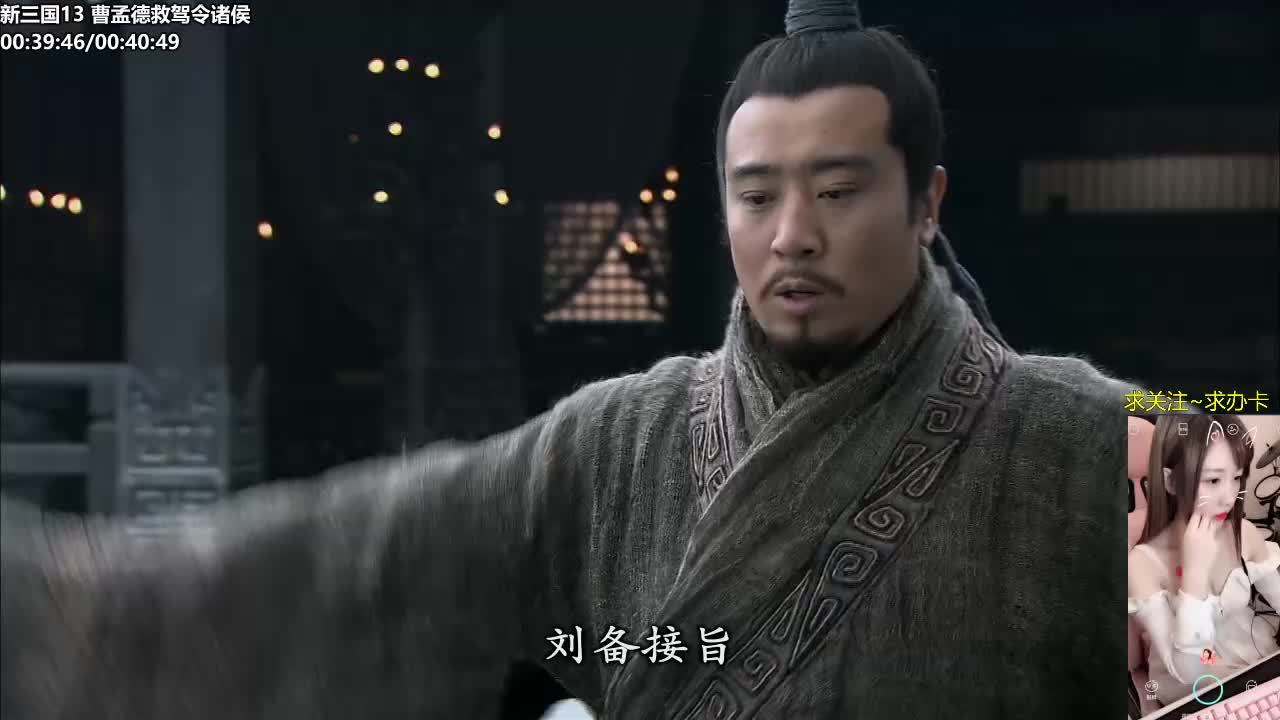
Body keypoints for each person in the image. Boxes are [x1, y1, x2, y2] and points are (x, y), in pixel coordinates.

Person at [2, 1, 1138, 717]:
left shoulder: (1090, 444)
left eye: (837, 191)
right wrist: (62, 601)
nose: (793, 234)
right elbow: (369, 558)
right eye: (756, 197)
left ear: (926, 201)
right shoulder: (622, 441)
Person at [1128, 414, 1280, 706]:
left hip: (1251, 659)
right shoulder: (1142, 565)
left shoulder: (1243, 533)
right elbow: (1190, 672)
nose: (1229, 497)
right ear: (1171, 481)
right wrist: (1195, 575)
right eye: (1213, 480)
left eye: (1236, 477)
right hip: (1193, 689)